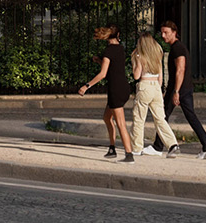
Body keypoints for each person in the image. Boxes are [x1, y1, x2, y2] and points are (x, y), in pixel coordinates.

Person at [158, 19, 206, 159]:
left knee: (162, 116)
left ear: (174, 32)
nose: (163, 36)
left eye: (166, 32)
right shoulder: (177, 47)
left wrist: (176, 91)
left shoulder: (178, 48)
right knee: (185, 117)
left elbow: (180, 70)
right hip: (183, 88)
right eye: (162, 33)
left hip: (179, 89)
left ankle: (157, 146)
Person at [76, 24, 131, 160]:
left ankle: (129, 155)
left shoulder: (108, 51)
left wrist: (86, 86)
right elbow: (113, 68)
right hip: (123, 87)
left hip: (115, 89)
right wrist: (100, 61)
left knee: (120, 123)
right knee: (107, 118)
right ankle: (112, 149)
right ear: (118, 36)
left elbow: (103, 74)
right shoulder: (120, 49)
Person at [126, 32, 179, 159]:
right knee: (160, 118)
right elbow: (160, 75)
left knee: (139, 118)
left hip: (144, 85)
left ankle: (137, 148)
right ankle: (172, 144)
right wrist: (160, 89)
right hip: (156, 86)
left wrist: (134, 60)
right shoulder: (157, 54)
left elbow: (136, 75)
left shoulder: (139, 56)